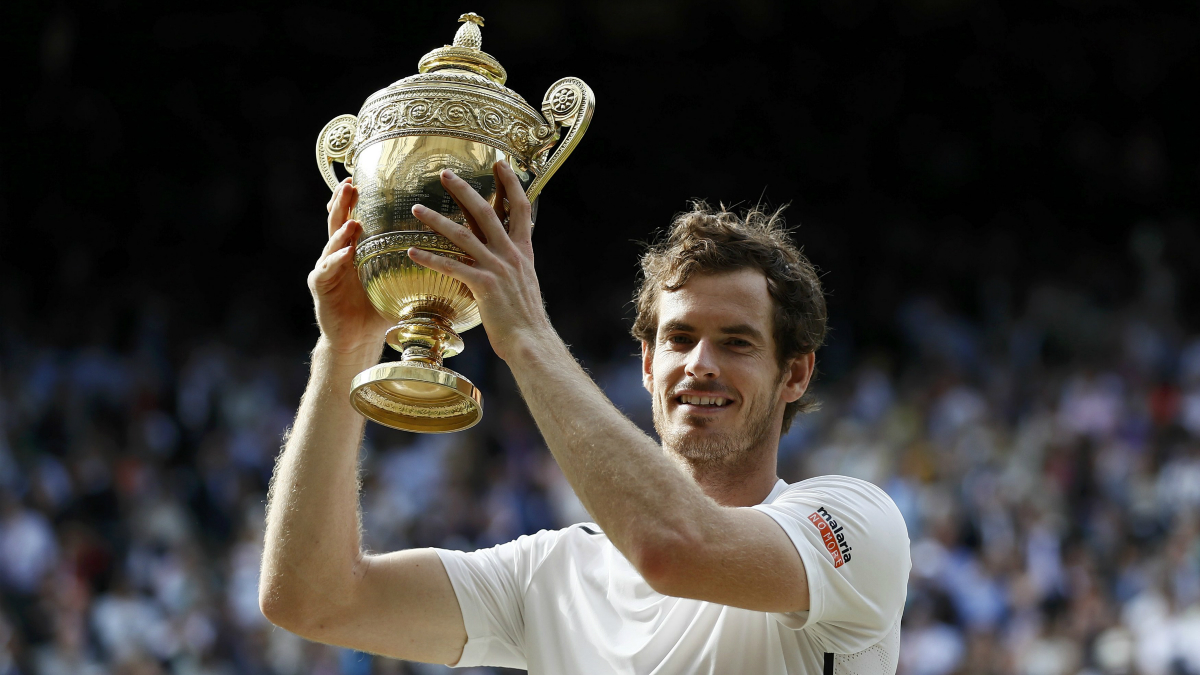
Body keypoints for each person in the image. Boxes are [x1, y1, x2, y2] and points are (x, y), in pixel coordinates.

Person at [259, 163, 911, 674]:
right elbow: (310, 597)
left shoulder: (857, 522)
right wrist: (343, 349)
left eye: (737, 342)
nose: (701, 364)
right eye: (680, 339)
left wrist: (527, 336)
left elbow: (674, 548)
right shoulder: (550, 572)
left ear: (795, 373)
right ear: (649, 363)